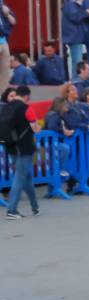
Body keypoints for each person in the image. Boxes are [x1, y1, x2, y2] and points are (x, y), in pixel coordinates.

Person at [3, 86, 38, 222]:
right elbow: (35, 129)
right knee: (19, 178)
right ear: (26, 96)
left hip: (10, 147)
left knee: (25, 177)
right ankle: (11, 210)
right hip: (24, 147)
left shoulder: (5, 107)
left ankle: (35, 206)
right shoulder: (26, 108)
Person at [61, 0, 87, 75]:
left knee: (76, 61)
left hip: (75, 36)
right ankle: (76, 81)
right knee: (77, 61)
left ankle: (75, 80)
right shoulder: (70, 4)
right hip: (74, 36)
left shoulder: (69, 4)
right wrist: (86, 13)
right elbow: (75, 17)